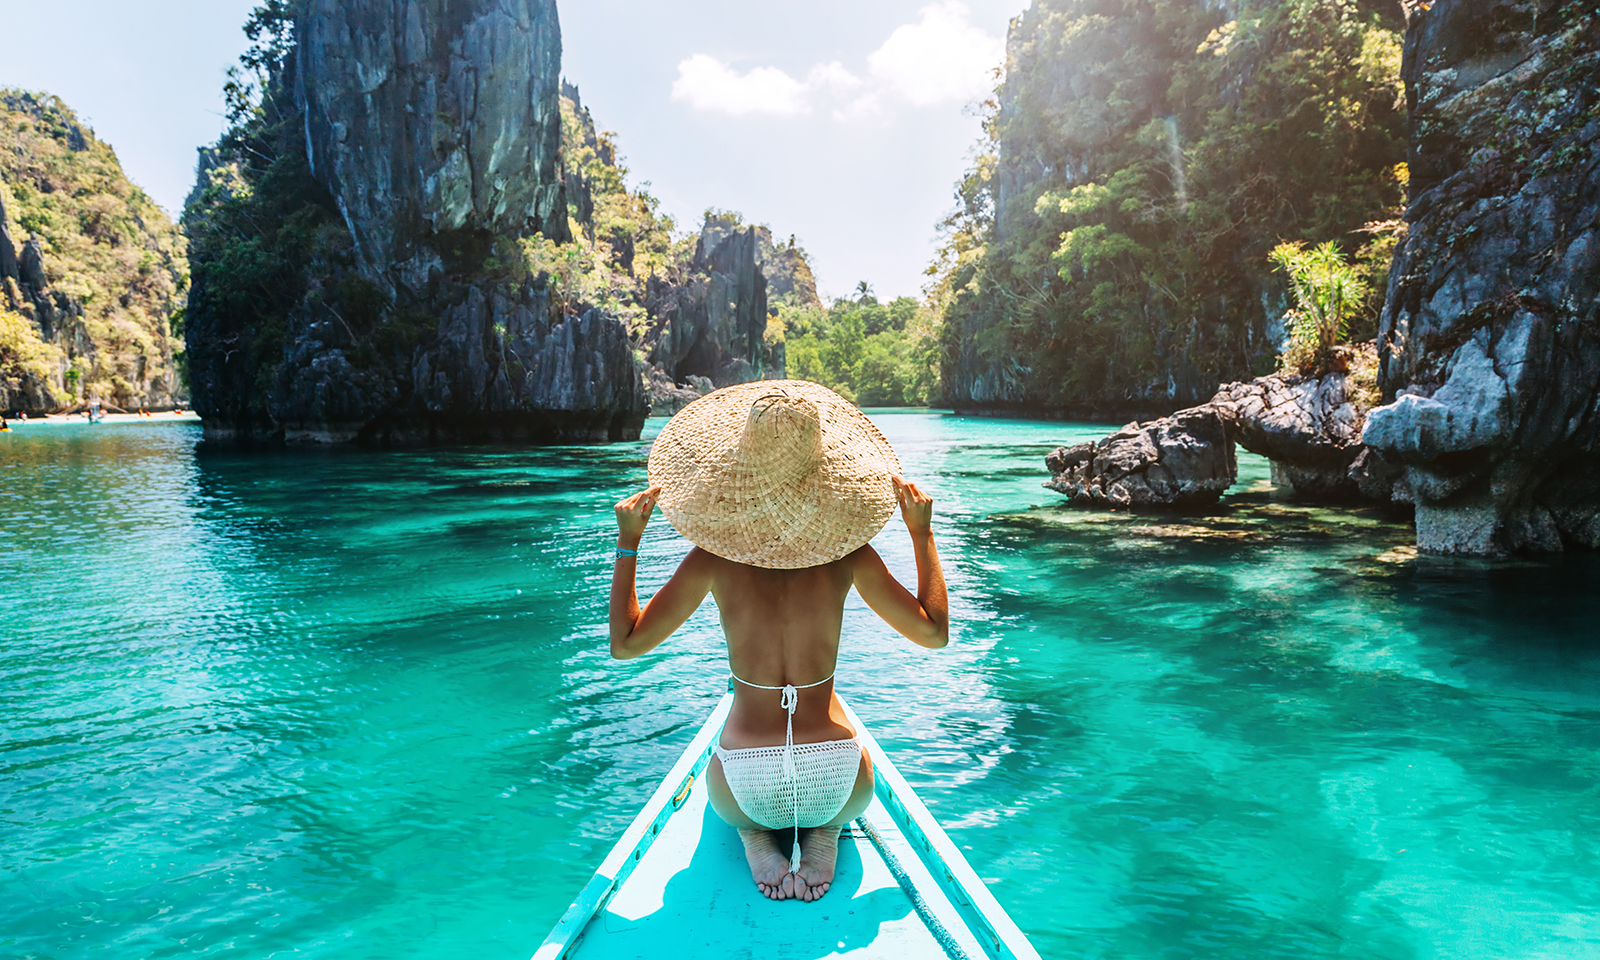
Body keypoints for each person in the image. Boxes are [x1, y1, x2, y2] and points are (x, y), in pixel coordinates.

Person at [608, 380, 949, 903]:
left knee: (735, 801)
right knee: (835, 761)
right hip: (841, 780)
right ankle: (826, 830)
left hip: (744, 786)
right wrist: (920, 533)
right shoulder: (848, 556)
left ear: (737, 474)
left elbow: (626, 645)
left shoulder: (712, 561)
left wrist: (629, 542)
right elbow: (933, 633)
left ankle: (754, 833)